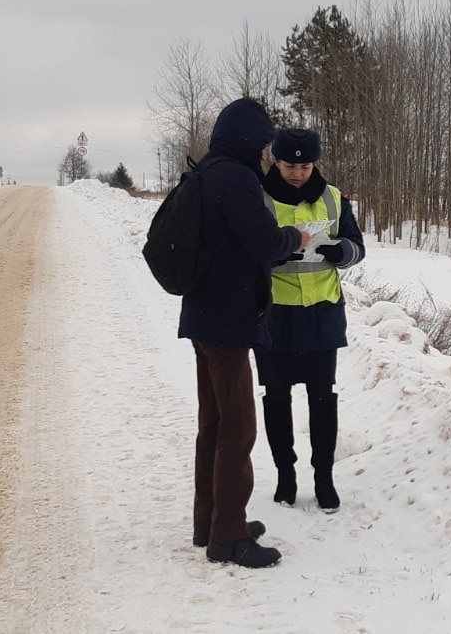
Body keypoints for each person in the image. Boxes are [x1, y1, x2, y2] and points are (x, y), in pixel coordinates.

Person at [178, 99, 311, 569]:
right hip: (227, 322)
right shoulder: (235, 177)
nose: (264, 155)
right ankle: (229, 536)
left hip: (203, 317)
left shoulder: (207, 171)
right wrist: (295, 238)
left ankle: (209, 522)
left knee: (213, 424)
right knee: (237, 428)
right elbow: (263, 242)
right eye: (262, 145)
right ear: (251, 140)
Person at [255, 128, 365, 513]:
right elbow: (247, 249)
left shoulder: (333, 198)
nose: (298, 173)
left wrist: (342, 251)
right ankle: (286, 477)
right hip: (275, 316)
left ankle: (324, 479)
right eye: (290, 165)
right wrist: (278, 250)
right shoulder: (259, 196)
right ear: (274, 160)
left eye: (305, 165)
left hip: (322, 314)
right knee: (277, 399)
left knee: (323, 400)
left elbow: (357, 246)